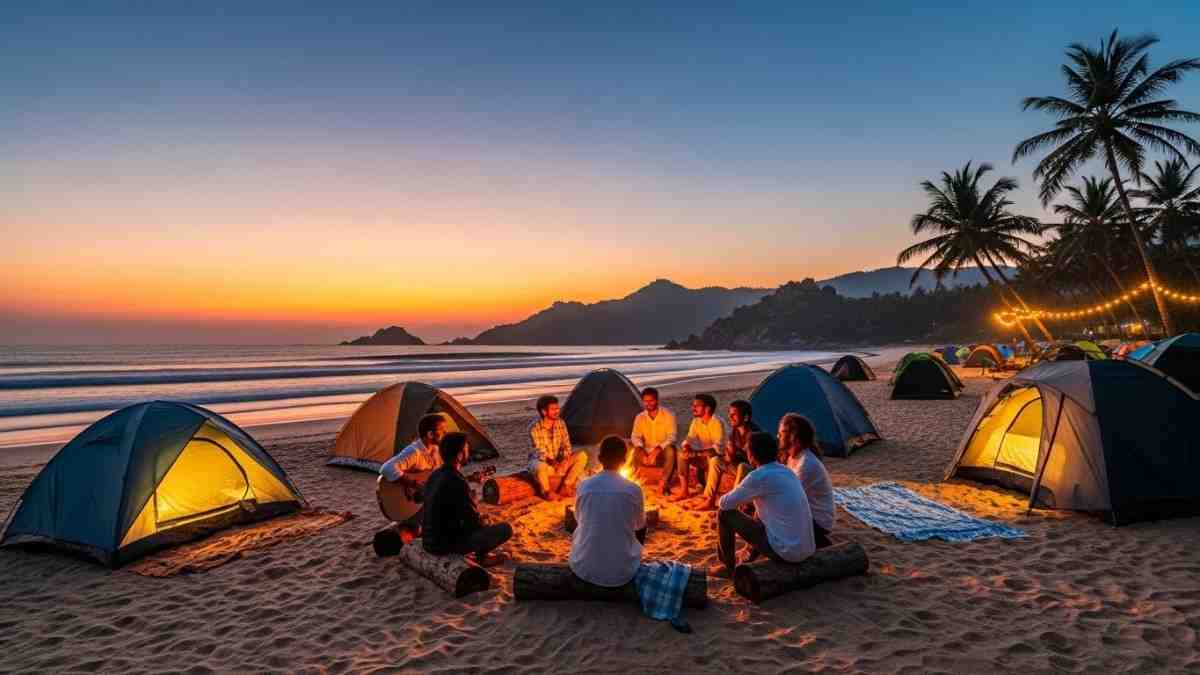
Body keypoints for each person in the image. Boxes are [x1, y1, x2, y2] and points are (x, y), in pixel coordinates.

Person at [714, 432, 815, 578]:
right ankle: (750, 554)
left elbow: (724, 503)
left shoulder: (758, 476)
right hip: (806, 548)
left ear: (752, 456)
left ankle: (728, 567)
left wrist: (743, 494)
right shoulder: (787, 471)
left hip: (786, 552)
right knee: (760, 506)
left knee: (724, 514)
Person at [422, 432, 512, 566]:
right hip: (443, 545)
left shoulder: (435, 475)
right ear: (459, 455)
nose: (469, 451)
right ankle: (483, 557)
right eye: (466, 449)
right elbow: (472, 522)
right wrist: (483, 520)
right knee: (505, 529)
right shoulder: (457, 481)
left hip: (428, 541)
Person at [569, 435, 647, 587]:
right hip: (624, 572)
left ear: (599, 458)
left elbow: (578, 520)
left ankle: (590, 553)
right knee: (641, 526)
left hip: (583, 568)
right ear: (624, 460)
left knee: (581, 526)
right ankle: (626, 557)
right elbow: (640, 526)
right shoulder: (634, 490)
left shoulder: (583, 486)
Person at [689, 399, 756, 511]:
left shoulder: (754, 435)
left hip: (752, 470)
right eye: (730, 414)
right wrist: (729, 453)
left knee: (742, 467)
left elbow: (755, 462)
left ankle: (734, 503)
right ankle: (709, 500)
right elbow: (730, 457)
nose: (730, 417)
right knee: (716, 460)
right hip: (738, 465)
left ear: (745, 417)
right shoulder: (734, 431)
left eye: (734, 415)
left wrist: (737, 453)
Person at [779, 413, 834, 548]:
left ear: (792, 437)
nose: (778, 437)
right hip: (807, 514)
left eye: (781, 433)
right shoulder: (793, 457)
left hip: (818, 522)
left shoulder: (806, 464)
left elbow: (787, 497)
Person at [528, 394, 589, 501]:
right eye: (553, 409)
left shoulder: (561, 423)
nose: (557, 411)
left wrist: (565, 460)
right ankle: (547, 492)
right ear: (544, 412)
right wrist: (554, 463)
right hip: (544, 463)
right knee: (539, 466)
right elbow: (539, 451)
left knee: (582, 456)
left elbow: (566, 445)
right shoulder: (534, 427)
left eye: (557, 408)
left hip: (559, 462)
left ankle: (566, 485)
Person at [629, 387, 679, 497]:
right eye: (645, 401)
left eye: (651, 400)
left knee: (671, 449)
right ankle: (635, 483)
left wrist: (657, 449)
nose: (648, 404)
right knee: (631, 447)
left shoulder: (668, 415)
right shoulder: (640, 417)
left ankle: (663, 484)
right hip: (645, 452)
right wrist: (641, 449)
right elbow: (635, 436)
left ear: (657, 400)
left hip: (661, 453)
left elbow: (672, 437)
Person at [675, 394, 725, 502]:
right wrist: (686, 447)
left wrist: (695, 454)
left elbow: (716, 451)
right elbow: (689, 438)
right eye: (693, 405)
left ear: (707, 408)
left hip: (721, 458)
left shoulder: (717, 423)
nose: (693, 408)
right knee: (681, 454)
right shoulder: (696, 421)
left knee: (714, 460)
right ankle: (684, 491)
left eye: (696, 406)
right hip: (704, 457)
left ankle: (708, 498)